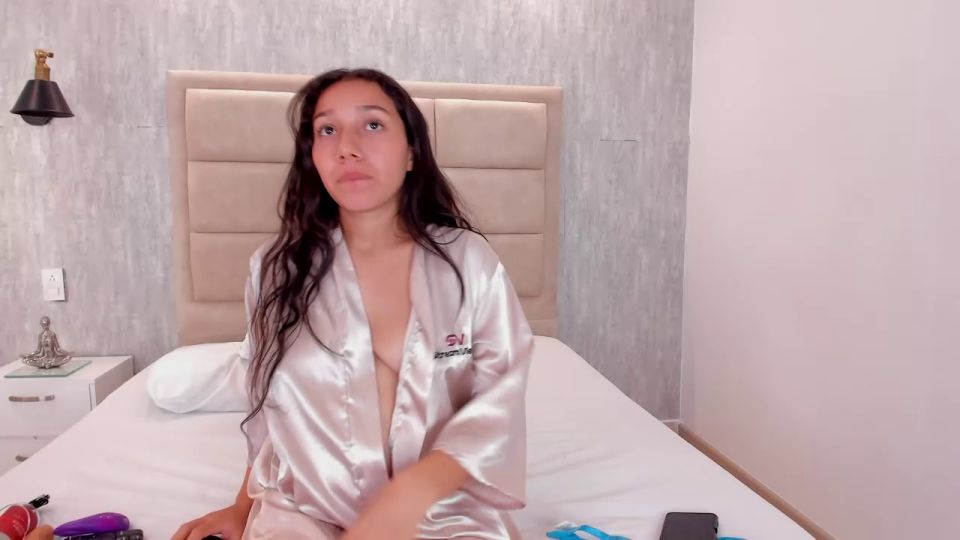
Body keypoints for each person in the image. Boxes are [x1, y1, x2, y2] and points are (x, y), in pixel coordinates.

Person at [171, 68, 534, 540]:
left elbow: (499, 398)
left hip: (441, 512)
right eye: (327, 130)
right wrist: (242, 509)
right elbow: (269, 411)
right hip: (304, 511)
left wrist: (412, 494)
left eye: (373, 124)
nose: (347, 147)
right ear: (313, 157)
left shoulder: (468, 262)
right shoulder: (275, 270)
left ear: (411, 153)